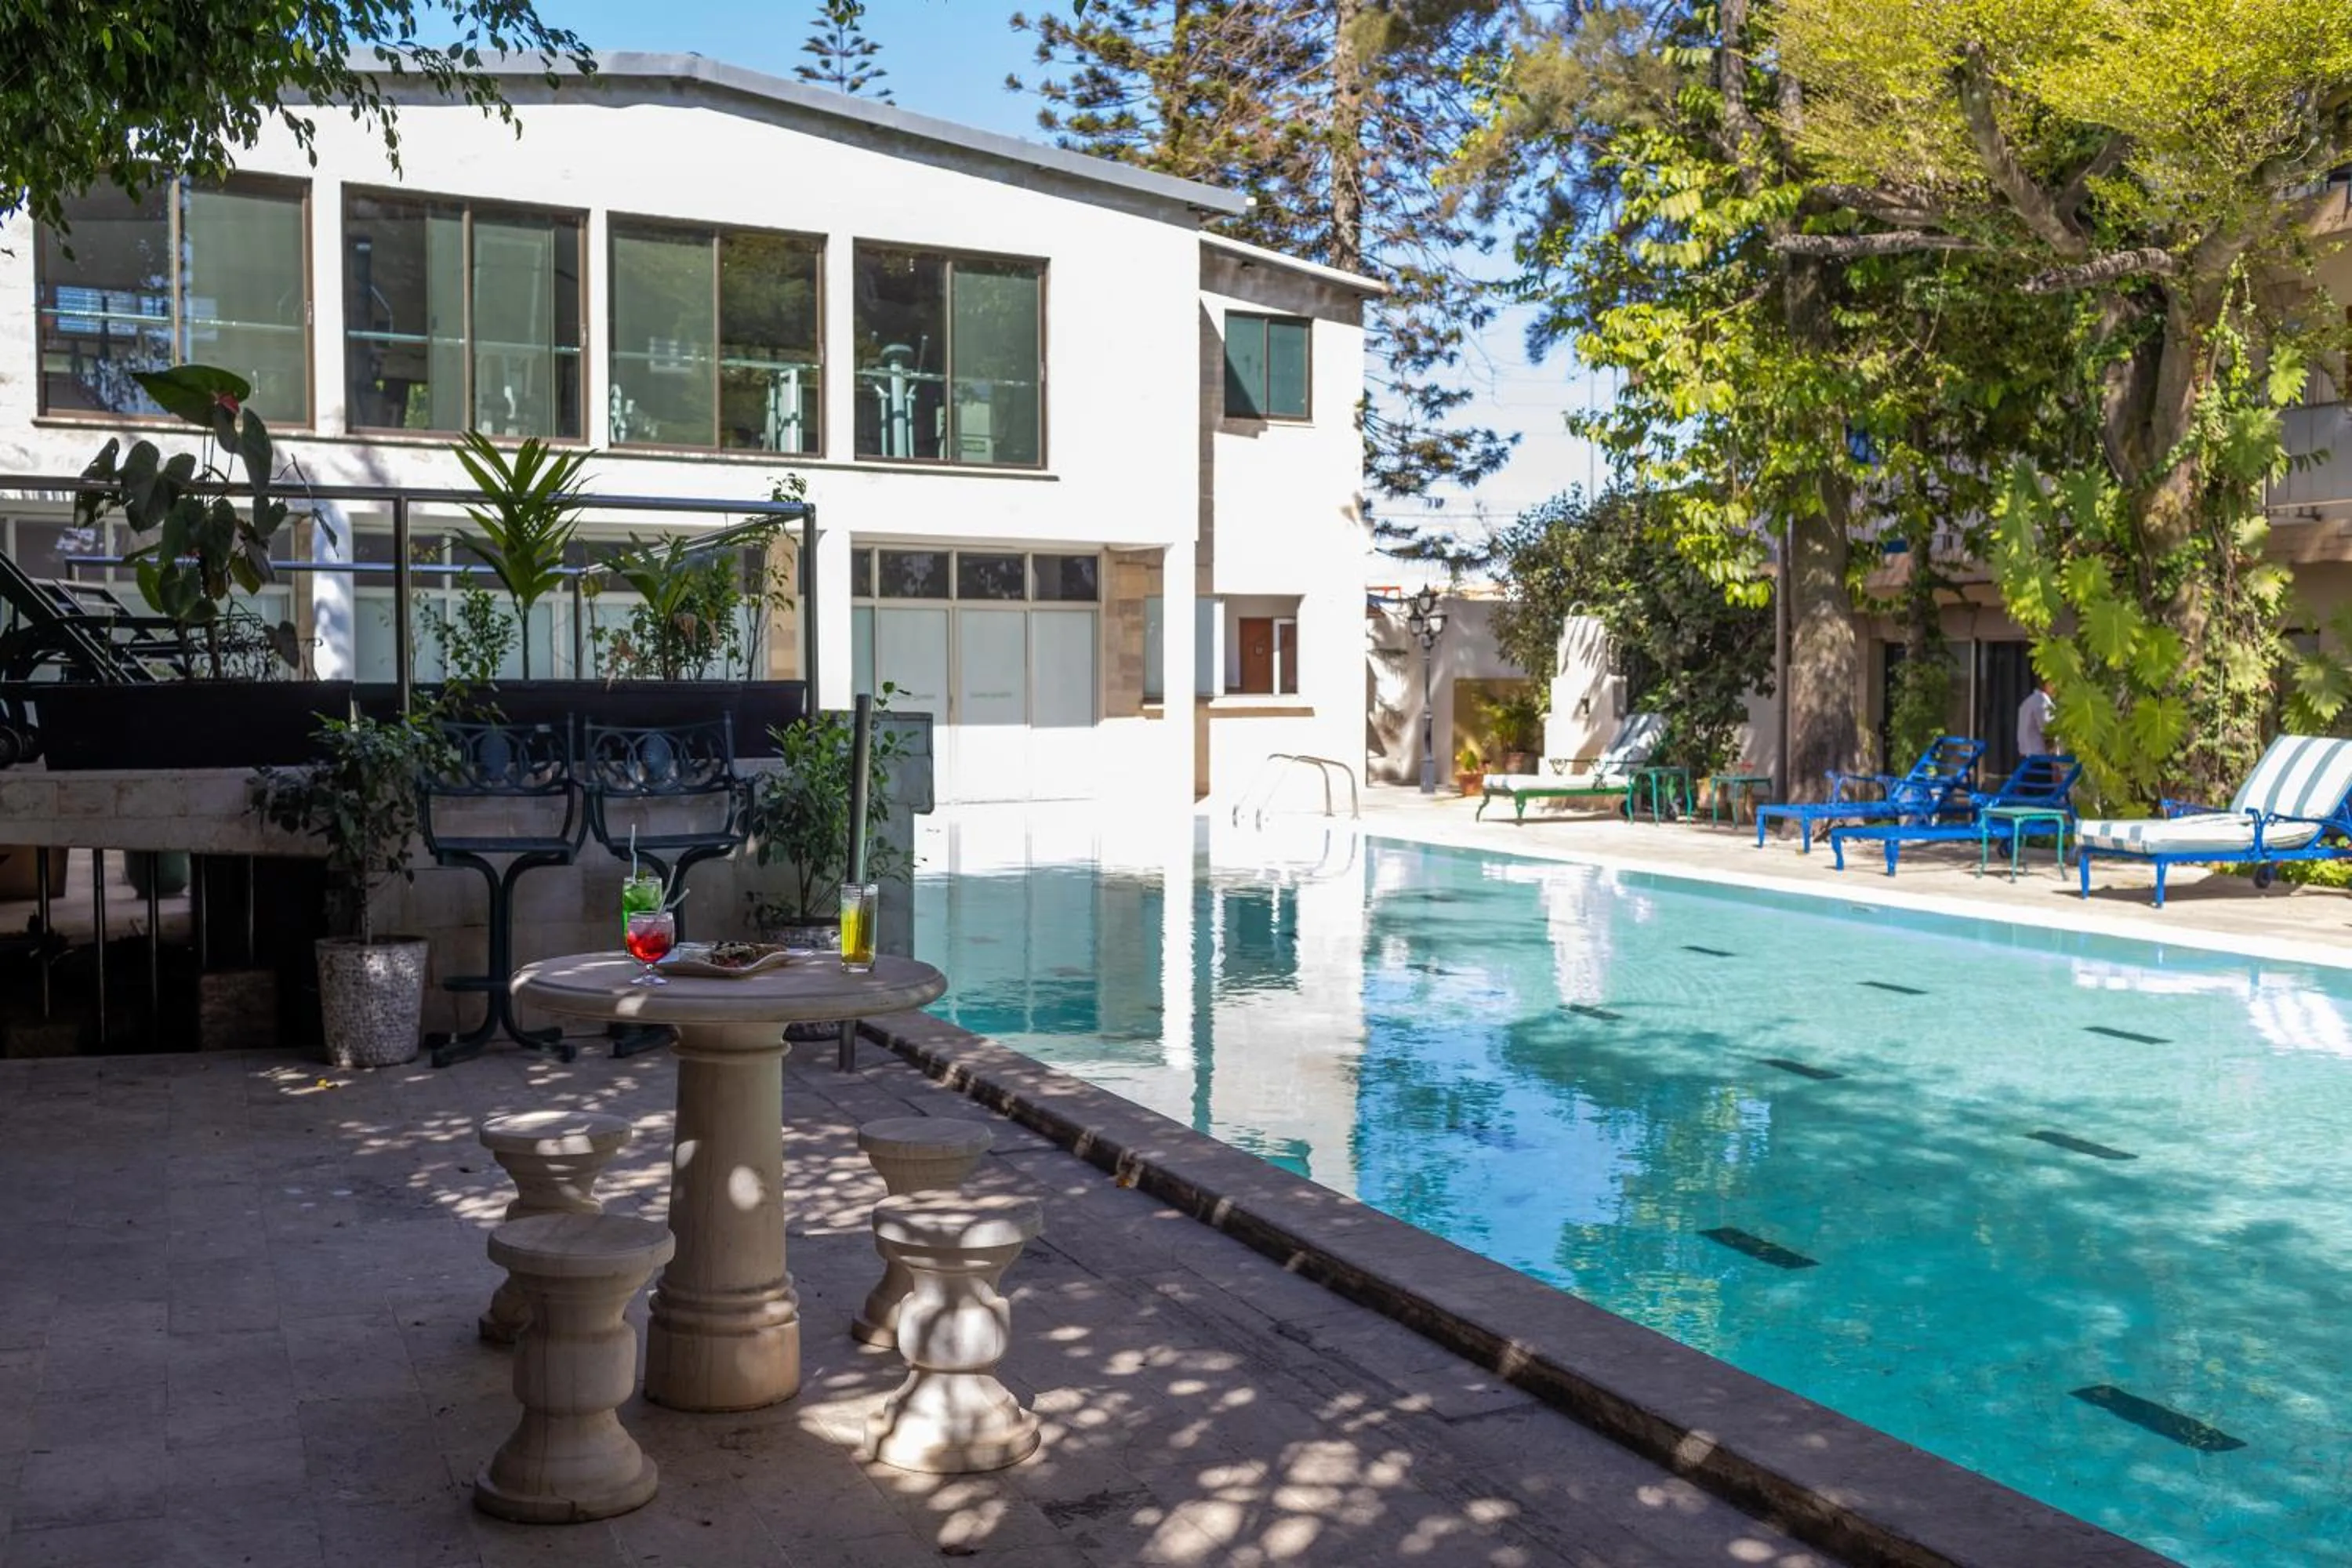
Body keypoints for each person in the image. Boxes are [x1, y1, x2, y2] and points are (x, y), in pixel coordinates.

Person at [2017, 676, 2056, 759]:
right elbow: (2048, 732)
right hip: (2040, 757)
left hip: (2026, 756)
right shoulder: (2042, 702)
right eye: (2054, 683)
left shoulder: (2027, 702)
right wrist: (2054, 759)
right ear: (2046, 684)